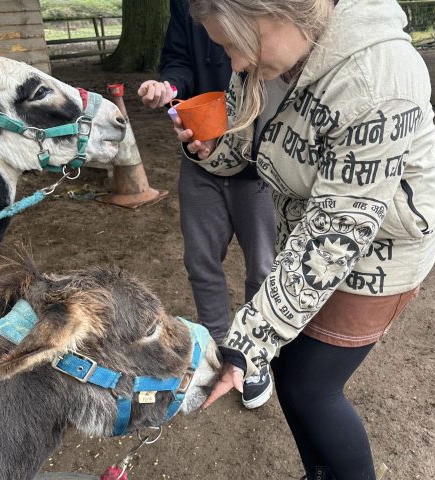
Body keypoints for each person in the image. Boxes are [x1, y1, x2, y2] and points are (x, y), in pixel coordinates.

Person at [178, 0, 435, 479]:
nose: (234, 64)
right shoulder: (266, 57)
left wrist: (246, 342)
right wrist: (207, 147)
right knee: (290, 371)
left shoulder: (376, 77)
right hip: (308, 232)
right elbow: (244, 149)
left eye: (234, 45)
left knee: (309, 384)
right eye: (223, 48)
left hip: (380, 247)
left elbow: (335, 236)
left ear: (280, 10)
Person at [137, 0, 277, 409]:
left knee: (263, 265)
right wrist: (170, 89)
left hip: (258, 159)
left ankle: (254, 353)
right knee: (201, 259)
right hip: (200, 150)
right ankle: (219, 348)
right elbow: (178, 60)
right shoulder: (185, 4)